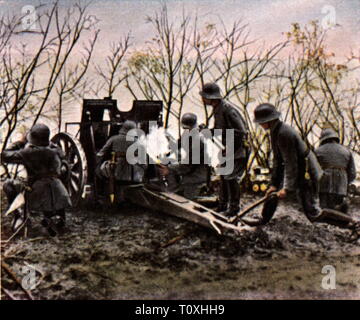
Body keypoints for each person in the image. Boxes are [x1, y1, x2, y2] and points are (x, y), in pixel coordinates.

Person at [252, 103, 360, 237]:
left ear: (268, 120)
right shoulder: (276, 132)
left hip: (306, 172)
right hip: (300, 170)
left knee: (314, 213)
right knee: (273, 193)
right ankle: (263, 219)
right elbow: (278, 160)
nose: (260, 125)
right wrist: (274, 184)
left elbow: (291, 163)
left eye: (261, 122)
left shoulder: (284, 133)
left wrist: (287, 188)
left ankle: (353, 223)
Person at [1, 123, 72, 236]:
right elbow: (64, 162)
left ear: (32, 138)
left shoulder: (28, 152)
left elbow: (4, 155)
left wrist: (20, 142)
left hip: (37, 189)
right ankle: (55, 221)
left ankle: (18, 215)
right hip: (59, 189)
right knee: (54, 216)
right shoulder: (55, 150)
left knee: (8, 184)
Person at [199, 82, 249, 217]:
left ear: (211, 97)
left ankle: (233, 209)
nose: (202, 99)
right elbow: (218, 131)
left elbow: (241, 132)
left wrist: (230, 148)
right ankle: (222, 206)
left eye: (204, 96)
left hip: (238, 149)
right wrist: (206, 131)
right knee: (223, 176)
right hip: (229, 149)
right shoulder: (217, 109)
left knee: (231, 177)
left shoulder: (227, 109)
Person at [158, 113, 209, 200]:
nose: (186, 131)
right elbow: (178, 144)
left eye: (187, 129)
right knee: (168, 164)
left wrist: (168, 168)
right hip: (194, 171)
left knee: (169, 170)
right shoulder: (192, 134)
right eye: (184, 129)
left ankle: (172, 195)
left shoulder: (197, 141)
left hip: (196, 177)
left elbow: (187, 166)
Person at [315, 128, 356, 213]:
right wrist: (346, 183)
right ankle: (340, 216)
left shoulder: (317, 151)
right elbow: (352, 173)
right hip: (341, 183)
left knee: (324, 207)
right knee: (338, 206)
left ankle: (325, 219)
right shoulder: (346, 151)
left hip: (324, 182)